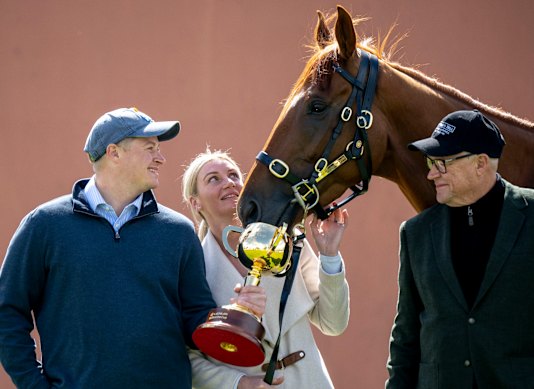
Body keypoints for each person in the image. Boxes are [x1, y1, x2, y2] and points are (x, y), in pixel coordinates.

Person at [0, 107, 265, 389]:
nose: (161, 158)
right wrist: (33, 385)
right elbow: (7, 312)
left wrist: (233, 314)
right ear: (114, 152)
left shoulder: (178, 231)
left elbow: (194, 320)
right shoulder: (45, 225)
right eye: (150, 148)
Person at [386, 109, 534, 388]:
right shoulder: (415, 234)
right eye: (431, 162)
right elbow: (405, 337)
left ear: (480, 163)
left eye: (442, 163)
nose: (431, 174)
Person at [182, 148, 351, 389]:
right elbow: (189, 358)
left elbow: (333, 323)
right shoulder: (193, 267)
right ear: (195, 202)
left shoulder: (287, 242)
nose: (228, 183)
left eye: (233, 175)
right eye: (214, 179)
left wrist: (330, 255)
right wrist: (238, 383)